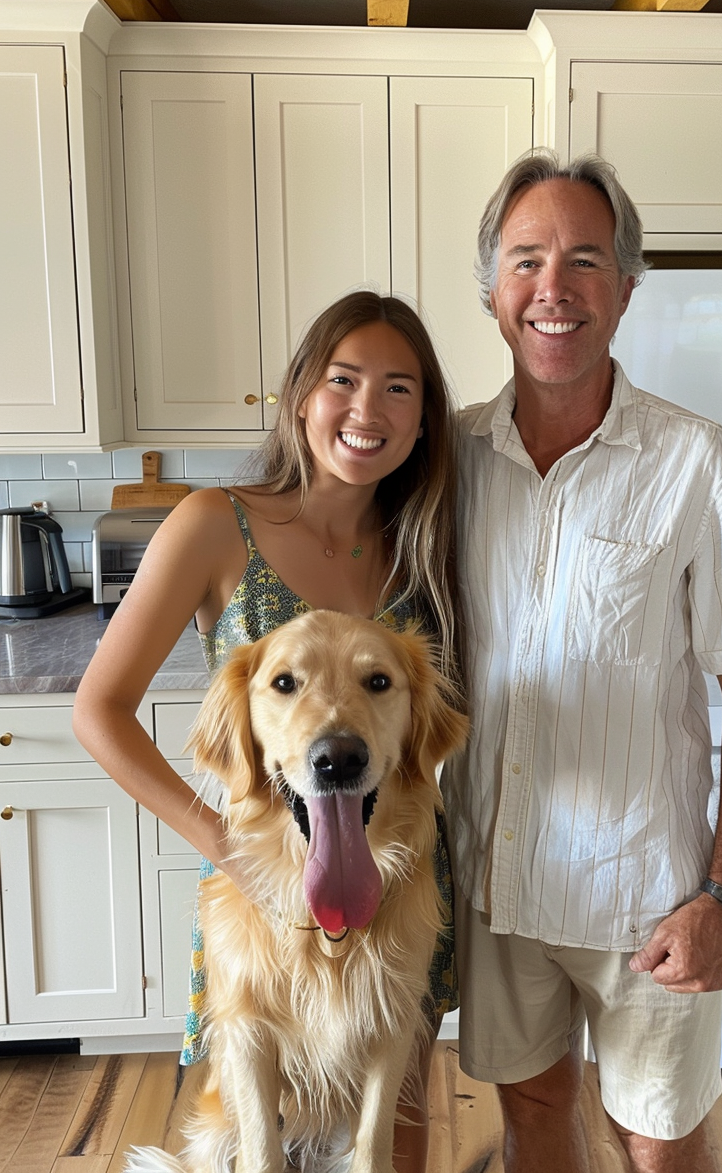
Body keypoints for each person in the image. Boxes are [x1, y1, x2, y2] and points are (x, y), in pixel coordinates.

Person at [442, 149, 722, 1173]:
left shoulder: (698, 463)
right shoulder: (447, 464)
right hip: (497, 878)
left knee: (657, 1138)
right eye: (526, 261)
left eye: (585, 259)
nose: (553, 289)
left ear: (628, 287)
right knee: (534, 1111)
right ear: (492, 292)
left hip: (651, 892)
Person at [73, 290, 463, 1173]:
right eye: (344, 379)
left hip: (395, 877)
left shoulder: (426, 542)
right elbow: (98, 709)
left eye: (400, 389)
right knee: (259, 1139)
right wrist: (219, 843)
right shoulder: (216, 523)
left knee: (391, 1148)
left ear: (424, 422)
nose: (368, 410)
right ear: (298, 395)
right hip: (270, 881)